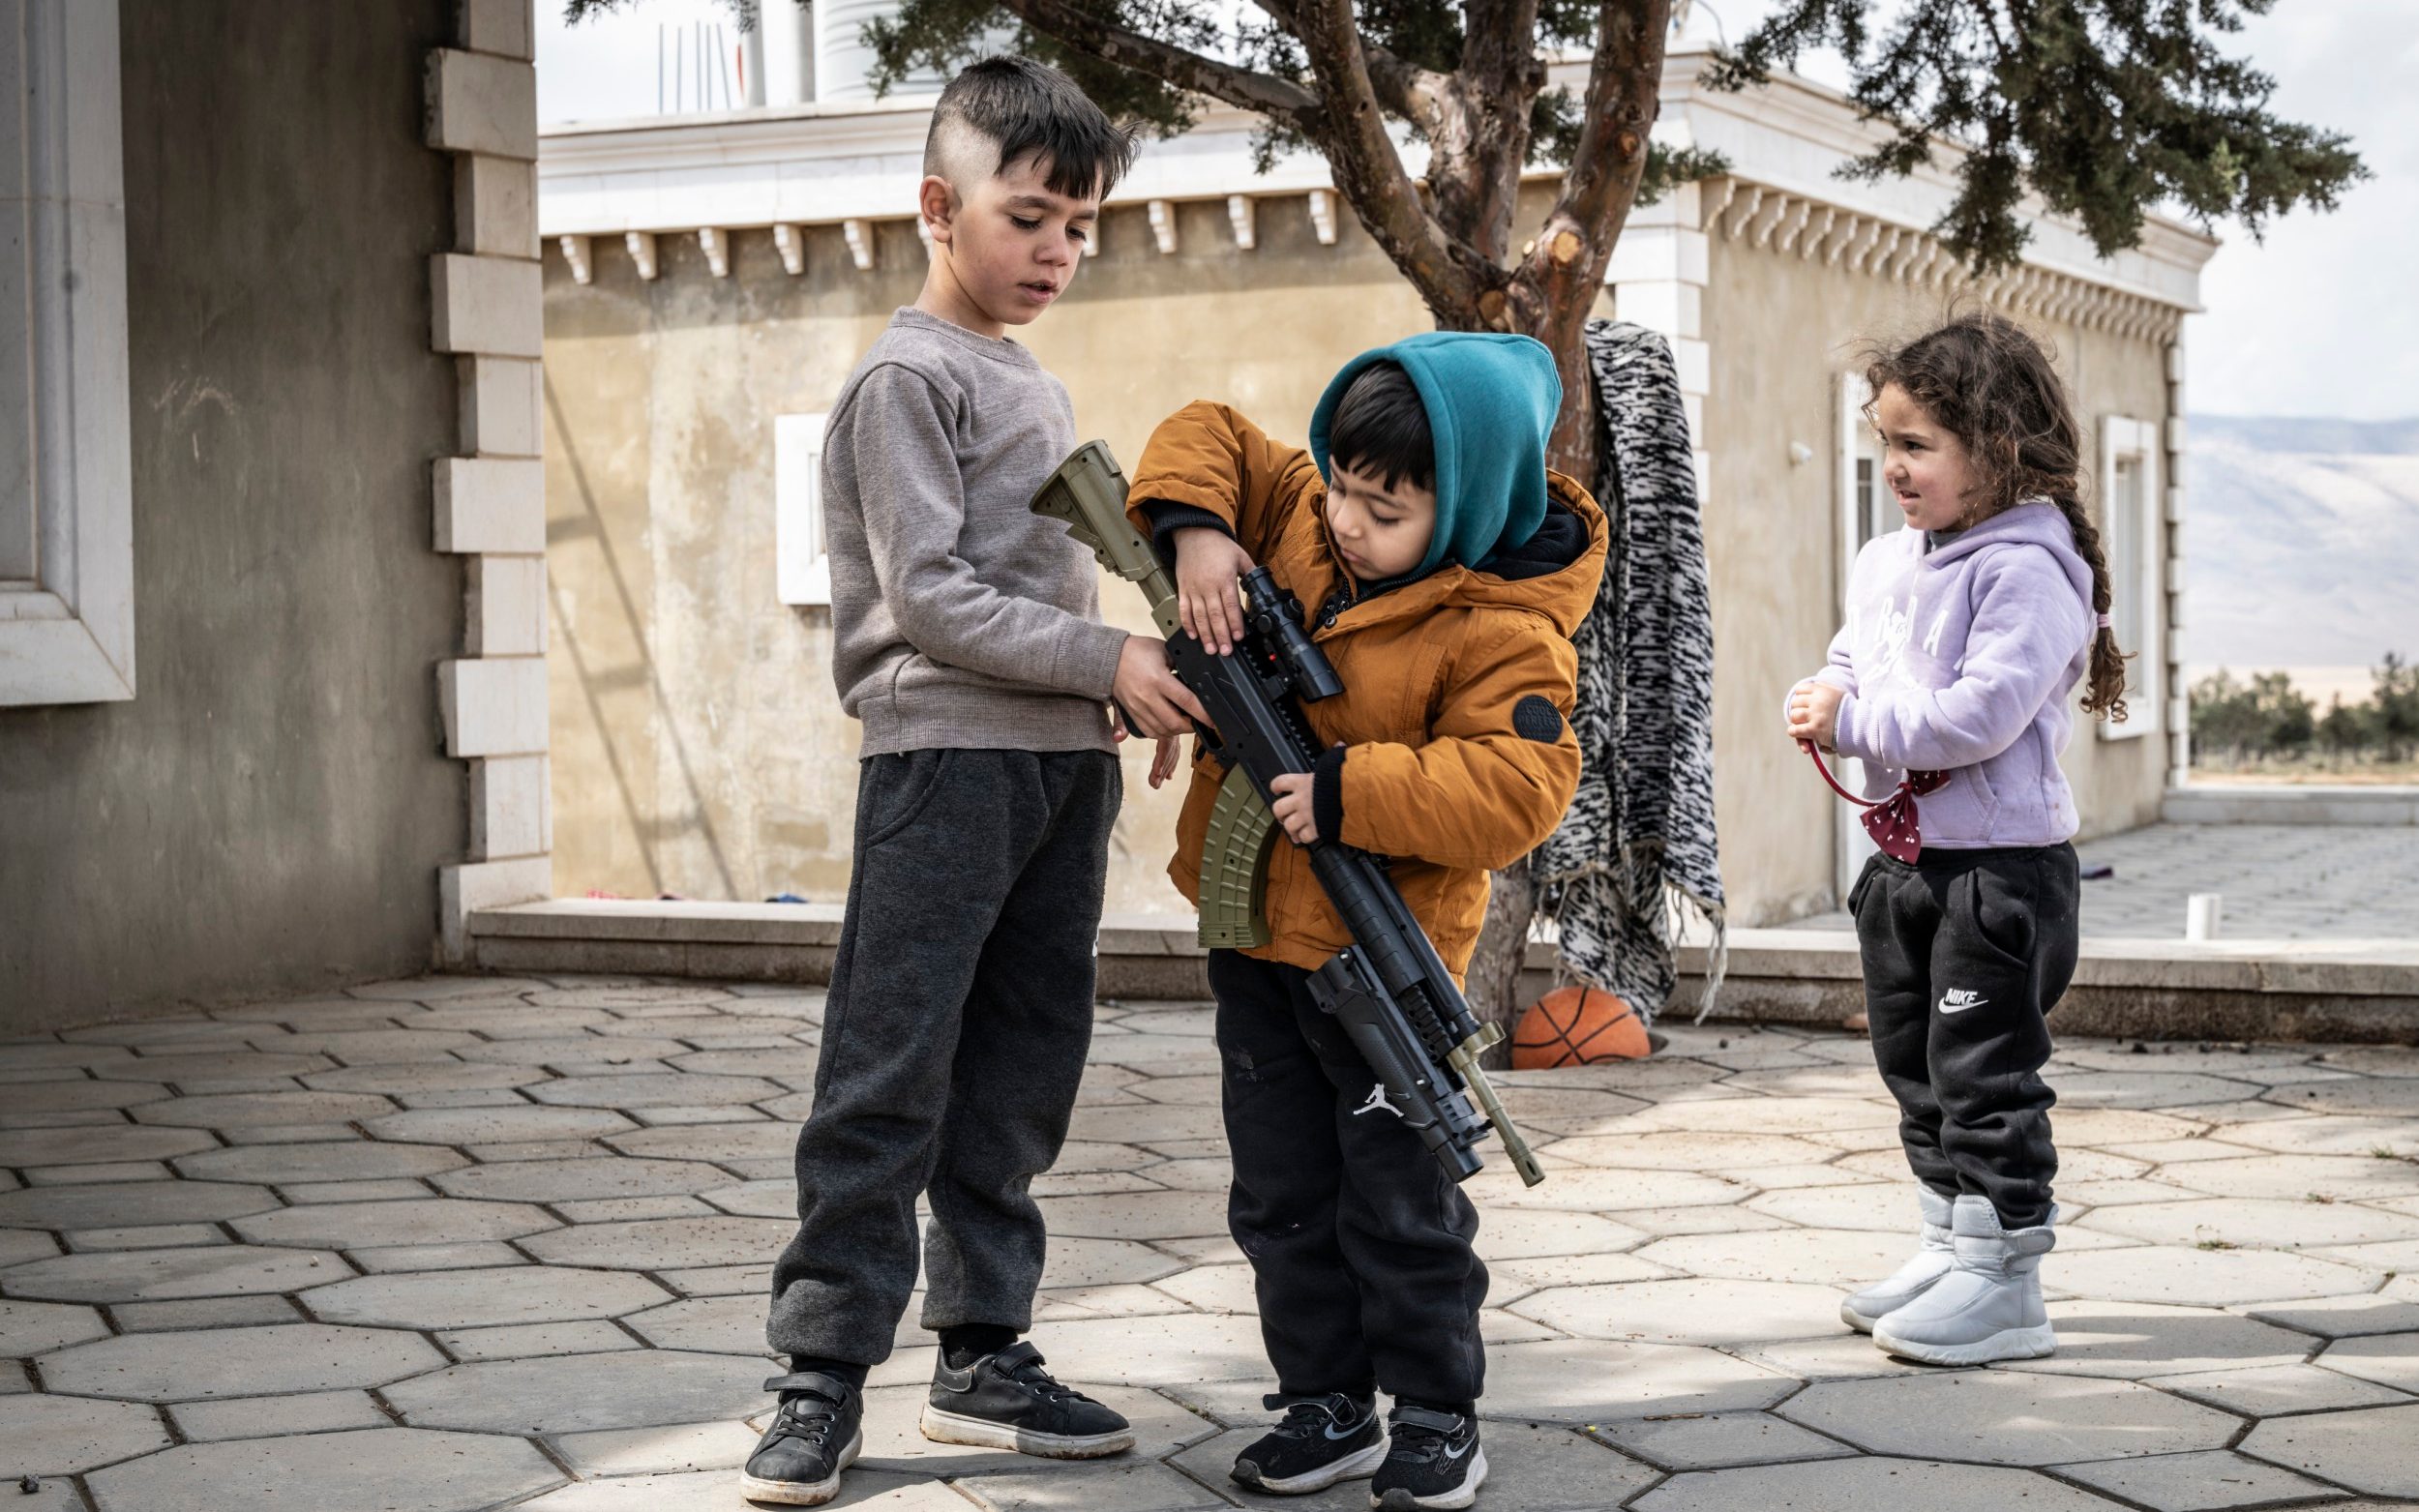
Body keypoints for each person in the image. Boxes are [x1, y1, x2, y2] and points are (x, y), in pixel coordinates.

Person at [743, 57, 1205, 1506]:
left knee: (1019, 1069)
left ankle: (982, 1354)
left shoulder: (1026, 369)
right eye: (1030, 217)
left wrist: (1122, 684)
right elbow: (930, 597)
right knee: (890, 1071)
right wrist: (1107, 656)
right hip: (942, 761)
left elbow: (1044, 585)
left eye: (1080, 224)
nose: (1058, 250)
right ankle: (818, 1375)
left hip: (1057, 770)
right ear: (940, 208)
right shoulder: (905, 378)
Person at [1124, 332, 1608, 1510]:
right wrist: (1196, 531)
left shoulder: (1508, 628)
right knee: (1279, 1195)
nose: (1343, 519)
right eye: (1340, 484)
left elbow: (1519, 787)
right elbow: (1208, 430)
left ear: (1465, 508)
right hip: (1258, 947)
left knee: (1399, 1205)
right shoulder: (1301, 512)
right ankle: (1325, 1407)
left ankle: (1437, 1413)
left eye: (1381, 508)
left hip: (1380, 962)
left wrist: (1351, 792)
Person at [1785, 311, 2130, 1366]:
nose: (1891, 465)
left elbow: (1981, 715)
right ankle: (1949, 1245)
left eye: (1916, 445)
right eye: (1884, 441)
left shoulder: (2025, 569)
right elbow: (1857, 652)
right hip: (1907, 867)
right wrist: (1829, 688)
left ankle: (2006, 1284)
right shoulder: (1889, 558)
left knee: (1986, 1077)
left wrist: (1854, 725)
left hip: (1999, 876)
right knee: (1917, 1068)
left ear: (1997, 449)